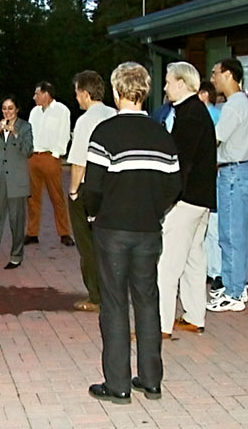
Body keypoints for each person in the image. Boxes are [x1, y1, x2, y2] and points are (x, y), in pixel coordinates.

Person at [82, 62, 180, 404]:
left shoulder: (105, 133)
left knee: (114, 304)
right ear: (146, 91)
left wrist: (93, 212)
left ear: (115, 90)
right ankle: (151, 381)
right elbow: (174, 186)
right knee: (148, 301)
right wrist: (154, 211)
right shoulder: (162, 135)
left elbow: (91, 187)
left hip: (112, 229)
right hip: (149, 230)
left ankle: (119, 384)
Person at [156, 62, 216, 338]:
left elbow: (181, 163)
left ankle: (160, 325)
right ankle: (194, 316)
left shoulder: (189, 114)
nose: (165, 87)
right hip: (200, 198)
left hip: (187, 199)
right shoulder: (192, 111)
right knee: (193, 258)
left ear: (181, 83)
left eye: (168, 82)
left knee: (167, 263)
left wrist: (167, 199)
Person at [207, 58, 248, 312]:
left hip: (233, 174)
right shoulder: (241, 102)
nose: (213, 78)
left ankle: (234, 291)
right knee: (236, 233)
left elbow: (215, 138)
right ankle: (236, 285)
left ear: (228, 74)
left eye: (215, 73)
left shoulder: (233, 105)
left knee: (231, 234)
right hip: (239, 172)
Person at [67, 71, 116, 312]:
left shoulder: (85, 121)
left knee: (87, 245)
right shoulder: (115, 114)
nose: (76, 98)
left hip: (89, 186)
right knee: (109, 242)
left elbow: (79, 161)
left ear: (85, 93)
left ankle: (95, 296)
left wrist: (73, 191)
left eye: (77, 93)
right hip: (113, 186)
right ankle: (113, 291)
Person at [0, 95, 33, 269]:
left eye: (10, 108)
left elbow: (28, 151)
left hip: (16, 181)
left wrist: (16, 135)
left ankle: (16, 255)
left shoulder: (25, 127)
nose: (7, 112)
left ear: (17, 109)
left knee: (16, 220)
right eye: (4, 108)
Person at [25, 81, 75, 247]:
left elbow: (64, 134)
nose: (34, 97)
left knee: (57, 196)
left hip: (50, 158)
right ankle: (32, 233)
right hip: (34, 156)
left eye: (37, 94)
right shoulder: (34, 112)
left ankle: (64, 233)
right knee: (32, 197)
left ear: (46, 94)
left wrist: (56, 154)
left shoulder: (62, 110)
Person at [198, 81, 223, 291]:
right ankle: (209, 269)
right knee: (206, 227)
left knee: (213, 227)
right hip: (206, 175)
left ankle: (217, 271)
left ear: (205, 95)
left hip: (212, 174)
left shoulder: (213, 116)